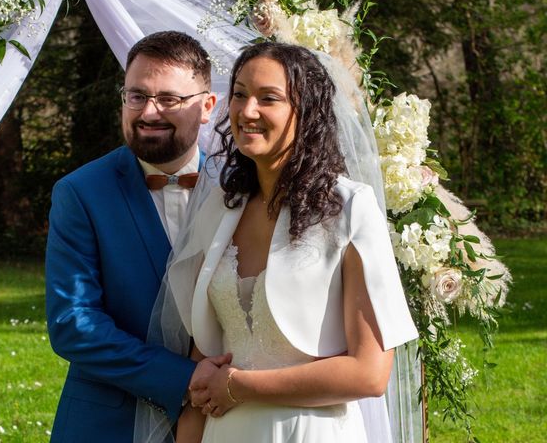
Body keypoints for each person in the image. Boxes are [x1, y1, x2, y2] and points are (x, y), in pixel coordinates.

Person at [161, 42, 419, 442]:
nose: (247, 111)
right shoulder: (220, 209)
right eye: (241, 94)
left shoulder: (350, 209)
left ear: (308, 112)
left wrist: (239, 387)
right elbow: (205, 360)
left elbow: (369, 373)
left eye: (269, 99)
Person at [45, 30, 229, 443]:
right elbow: (73, 323)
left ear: (207, 107)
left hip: (228, 418)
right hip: (109, 424)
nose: (148, 112)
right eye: (136, 96)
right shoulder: (80, 192)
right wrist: (183, 378)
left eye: (169, 99)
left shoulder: (242, 189)